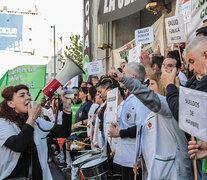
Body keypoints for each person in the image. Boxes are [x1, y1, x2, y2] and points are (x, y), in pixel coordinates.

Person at [108, 69, 193, 180]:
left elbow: (149, 96)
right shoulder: (153, 111)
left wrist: (124, 79)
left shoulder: (167, 105)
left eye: (152, 84)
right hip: (160, 171)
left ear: (163, 85)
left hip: (173, 172)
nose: (148, 87)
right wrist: (142, 160)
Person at [0, 84, 72, 180]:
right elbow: (18, 145)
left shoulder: (37, 122)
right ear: (11, 103)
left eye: (28, 94)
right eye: (22, 95)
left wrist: (66, 108)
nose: (28, 97)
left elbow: (64, 132)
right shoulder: (4, 123)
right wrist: (32, 118)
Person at [108, 62, 150, 180]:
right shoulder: (131, 96)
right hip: (126, 156)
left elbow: (142, 127)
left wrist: (119, 133)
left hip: (134, 160)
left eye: (124, 73)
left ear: (132, 77)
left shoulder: (140, 97)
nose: (121, 76)